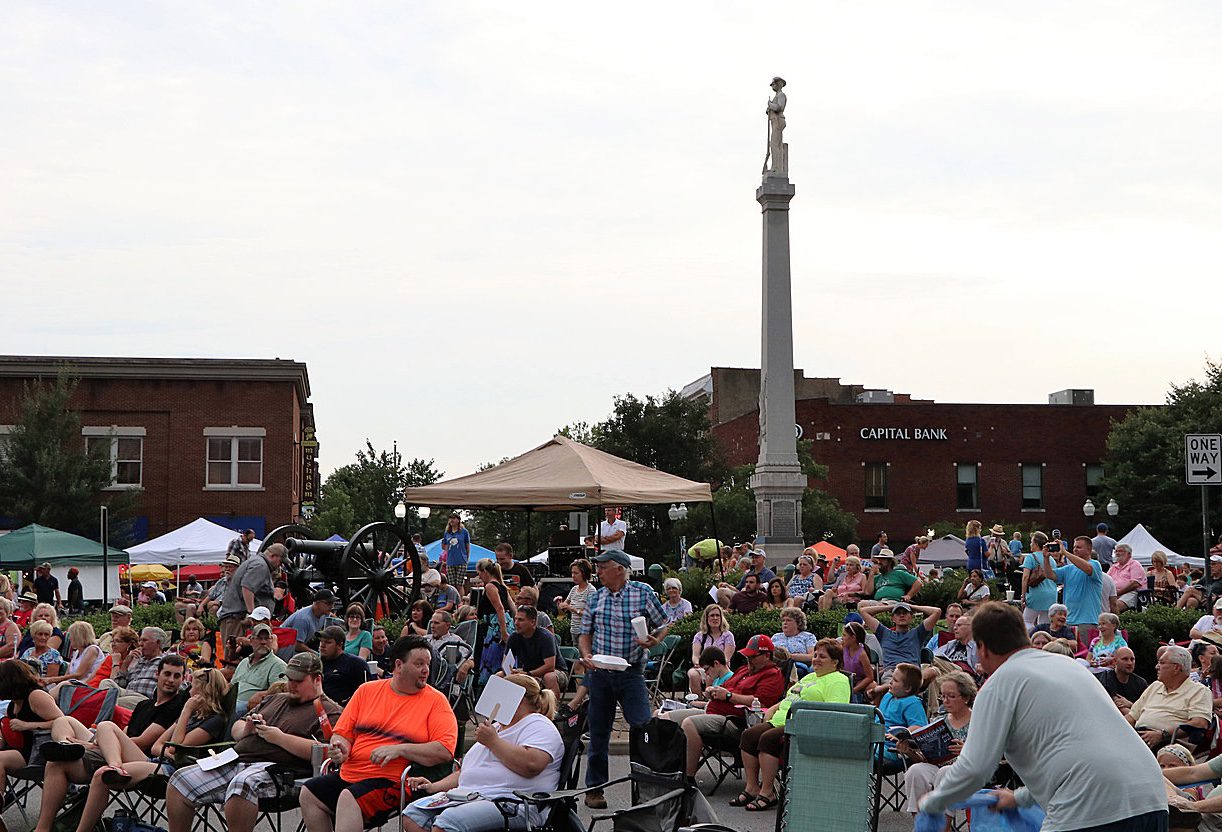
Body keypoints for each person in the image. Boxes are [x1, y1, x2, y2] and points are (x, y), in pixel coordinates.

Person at [919, 602, 1167, 832]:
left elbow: (975, 768)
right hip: (1151, 796)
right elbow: (1075, 754)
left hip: (1089, 807)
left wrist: (935, 800)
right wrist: (1018, 798)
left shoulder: (998, 685)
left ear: (982, 648)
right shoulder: (1069, 666)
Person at [165, 653, 341, 832]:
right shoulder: (276, 698)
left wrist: (280, 738)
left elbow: (327, 753)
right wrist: (247, 729)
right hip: (237, 759)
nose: (291, 684)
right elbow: (237, 726)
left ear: (317, 679)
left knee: (242, 784)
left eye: (298, 680)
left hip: (281, 771)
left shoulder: (330, 711)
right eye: (289, 678)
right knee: (180, 780)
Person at [299, 636, 458, 832]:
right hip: (350, 773)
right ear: (399, 665)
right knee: (309, 793)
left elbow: (445, 750)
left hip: (397, 781)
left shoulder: (436, 701)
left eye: (428, 664)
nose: (426, 670)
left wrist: (400, 750)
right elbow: (342, 734)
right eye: (419, 664)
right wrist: (341, 747)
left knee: (348, 797)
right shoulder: (366, 691)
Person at [33, 656, 189, 832]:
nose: (171, 680)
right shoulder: (144, 704)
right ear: (157, 674)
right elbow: (125, 733)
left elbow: (144, 742)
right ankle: (43, 827)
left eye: (177, 676)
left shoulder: (176, 706)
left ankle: (107, 762)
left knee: (105, 726)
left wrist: (103, 743)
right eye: (167, 674)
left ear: (183, 679)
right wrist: (101, 743)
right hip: (113, 749)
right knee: (63, 726)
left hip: (138, 759)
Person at [71, 667, 230, 832]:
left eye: (193, 686)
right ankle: (116, 766)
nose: (189, 690)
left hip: (175, 772)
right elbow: (156, 746)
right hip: (158, 761)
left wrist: (186, 711)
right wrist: (171, 747)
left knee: (101, 775)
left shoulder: (214, 721)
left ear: (203, 691)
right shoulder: (192, 716)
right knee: (106, 726)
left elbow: (175, 748)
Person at [402, 673, 563, 832]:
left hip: (513, 802)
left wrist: (493, 742)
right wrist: (434, 786)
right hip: (472, 796)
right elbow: (467, 771)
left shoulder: (537, 724)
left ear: (517, 698)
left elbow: (532, 764)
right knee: (413, 815)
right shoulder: (497, 727)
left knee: (448, 822)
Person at [576, 549, 669, 809]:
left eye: (603, 567)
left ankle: (648, 786)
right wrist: (586, 655)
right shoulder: (596, 598)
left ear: (619, 568)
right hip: (601, 673)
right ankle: (595, 790)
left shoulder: (642, 592)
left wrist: (654, 640)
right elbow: (585, 633)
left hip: (631, 673)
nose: (599, 572)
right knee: (598, 732)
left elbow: (663, 623)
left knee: (642, 727)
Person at [735, 638, 850, 811]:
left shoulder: (838, 680)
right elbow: (790, 698)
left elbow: (835, 711)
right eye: (815, 655)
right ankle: (752, 787)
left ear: (835, 662)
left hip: (804, 725)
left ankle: (768, 793)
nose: (816, 659)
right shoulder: (810, 676)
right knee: (748, 735)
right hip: (781, 720)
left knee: (768, 739)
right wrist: (772, 708)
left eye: (822, 657)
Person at [668, 635, 786, 778]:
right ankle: (665, 769)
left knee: (689, 723)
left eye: (752, 657)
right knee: (665, 717)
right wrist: (712, 690)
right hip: (712, 710)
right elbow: (725, 686)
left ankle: (687, 778)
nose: (748, 660)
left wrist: (729, 696)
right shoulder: (744, 670)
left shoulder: (772, 675)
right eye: (747, 657)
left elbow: (761, 703)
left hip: (734, 720)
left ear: (767, 656)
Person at [903, 672, 976, 816]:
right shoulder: (938, 721)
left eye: (951, 696)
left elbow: (992, 755)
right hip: (939, 768)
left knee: (945, 773)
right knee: (916, 771)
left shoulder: (978, 721)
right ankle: (921, 826)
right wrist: (908, 752)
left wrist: (967, 750)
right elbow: (926, 759)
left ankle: (944, 828)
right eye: (942, 696)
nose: (946, 701)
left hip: (968, 774)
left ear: (966, 697)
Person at [1123, 645, 1211, 751]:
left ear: (1176, 667)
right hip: (1139, 737)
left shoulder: (1199, 691)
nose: (1157, 666)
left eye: (1162, 662)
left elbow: (1199, 724)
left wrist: (1162, 734)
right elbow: (1131, 718)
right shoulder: (1155, 686)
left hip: (1171, 744)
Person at [0, 659, 65, 797]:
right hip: (20, 749)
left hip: (37, 752)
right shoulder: (14, 702)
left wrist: (27, 726)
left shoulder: (36, 696)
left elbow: (63, 722)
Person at [859, 600, 941, 691]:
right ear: (893, 618)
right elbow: (863, 611)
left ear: (911, 617)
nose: (901, 615)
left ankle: (884, 688)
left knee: (933, 671)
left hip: (912, 672)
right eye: (898, 613)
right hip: (892, 673)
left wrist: (911, 606)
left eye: (905, 613)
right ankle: (893, 686)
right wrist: (890, 607)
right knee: (894, 680)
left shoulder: (917, 634)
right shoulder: (884, 633)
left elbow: (937, 612)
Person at [218, 543, 285, 644]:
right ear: (273, 556)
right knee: (234, 654)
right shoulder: (260, 566)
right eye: (281, 561)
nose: (280, 565)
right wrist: (252, 614)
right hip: (237, 618)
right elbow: (247, 587)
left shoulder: (257, 562)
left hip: (235, 617)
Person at [506, 605, 568, 700]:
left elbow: (550, 666)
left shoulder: (545, 636)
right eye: (516, 619)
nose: (516, 623)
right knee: (499, 675)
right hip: (528, 671)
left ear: (532, 622)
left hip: (555, 671)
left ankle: (553, 710)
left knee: (549, 677)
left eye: (521, 620)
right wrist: (512, 672)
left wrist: (528, 674)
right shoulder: (514, 637)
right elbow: (505, 664)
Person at [471, 558, 516, 683]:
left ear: (485, 571)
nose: (479, 577)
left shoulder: (490, 586)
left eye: (479, 574)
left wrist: (503, 632)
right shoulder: (502, 586)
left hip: (495, 626)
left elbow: (499, 608)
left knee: (491, 658)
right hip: (506, 622)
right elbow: (513, 608)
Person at [1044, 535, 1104, 628]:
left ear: (1089, 549)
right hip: (1068, 620)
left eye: (1079, 547)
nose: (1075, 549)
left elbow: (1088, 569)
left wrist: (1065, 553)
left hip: (1087, 621)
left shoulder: (1095, 564)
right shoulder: (1069, 568)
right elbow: (1050, 575)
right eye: (1074, 547)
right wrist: (1046, 558)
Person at [231, 622, 288, 717]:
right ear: (252, 640)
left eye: (267, 638)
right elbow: (232, 685)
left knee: (230, 712)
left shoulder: (278, 665)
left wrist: (262, 695)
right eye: (259, 638)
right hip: (233, 701)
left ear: (271, 640)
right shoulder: (244, 662)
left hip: (251, 708)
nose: (263, 642)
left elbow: (281, 693)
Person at [878, 663, 927, 763]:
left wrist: (899, 735)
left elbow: (919, 727)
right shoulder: (888, 696)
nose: (890, 682)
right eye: (892, 678)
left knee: (861, 752)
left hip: (893, 749)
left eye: (895, 680)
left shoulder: (912, 703)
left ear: (907, 688)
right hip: (875, 741)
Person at [688, 604, 736, 696]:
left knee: (710, 675)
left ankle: (709, 700)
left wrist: (711, 666)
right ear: (706, 618)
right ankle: (697, 700)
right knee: (692, 674)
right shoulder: (699, 636)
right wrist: (699, 664)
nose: (715, 618)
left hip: (719, 667)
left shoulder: (727, 635)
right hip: (702, 666)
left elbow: (726, 658)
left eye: (717, 615)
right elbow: (695, 655)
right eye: (712, 615)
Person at [317, 625, 369, 705]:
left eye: (328, 642)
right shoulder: (316, 663)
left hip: (344, 710)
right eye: (321, 641)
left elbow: (367, 692)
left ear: (339, 645)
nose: (322, 646)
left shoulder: (355, 664)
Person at [44, 620, 104, 688]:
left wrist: (52, 679)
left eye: (71, 635)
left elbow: (79, 675)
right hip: (71, 684)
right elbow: (67, 675)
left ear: (78, 637)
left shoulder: (92, 650)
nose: (69, 638)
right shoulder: (76, 652)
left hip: (85, 685)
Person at [281, 589, 339, 653]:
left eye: (333, 603)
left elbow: (332, 617)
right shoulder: (303, 619)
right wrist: (317, 655)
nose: (331, 606)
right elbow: (298, 645)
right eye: (328, 603)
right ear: (317, 603)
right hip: (285, 650)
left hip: (298, 646)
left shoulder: (324, 612)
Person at [1020, 531, 1055, 630]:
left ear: (1035, 544)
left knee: (1026, 621)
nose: (1030, 544)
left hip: (1036, 594)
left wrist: (1023, 595)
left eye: (1031, 542)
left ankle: (1032, 638)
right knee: (1044, 624)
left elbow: (1025, 577)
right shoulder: (1050, 559)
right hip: (1051, 594)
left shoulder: (1031, 557)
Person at [771, 607, 817, 674]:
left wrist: (789, 656)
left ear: (798, 623)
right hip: (776, 666)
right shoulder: (776, 637)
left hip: (798, 666)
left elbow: (812, 656)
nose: (785, 623)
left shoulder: (808, 636)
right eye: (783, 620)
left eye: (788, 620)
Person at [841, 621, 875, 703]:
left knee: (873, 686)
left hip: (860, 681)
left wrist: (854, 689)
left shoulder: (862, 654)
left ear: (853, 638)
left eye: (844, 635)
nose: (842, 638)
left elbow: (870, 677)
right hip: (845, 679)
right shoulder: (842, 647)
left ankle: (874, 712)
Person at [1107, 544, 1145, 613]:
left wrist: (1117, 593)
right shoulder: (1113, 567)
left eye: (1120, 551)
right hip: (1113, 594)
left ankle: (1114, 623)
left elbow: (1134, 584)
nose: (1117, 553)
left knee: (1114, 607)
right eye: (1116, 551)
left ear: (1129, 554)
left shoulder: (1134, 564)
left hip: (1131, 592)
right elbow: (1106, 580)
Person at [440, 512, 472, 587]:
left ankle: (460, 598)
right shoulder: (447, 533)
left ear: (458, 520)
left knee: (459, 584)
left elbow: (467, 546)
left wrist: (467, 558)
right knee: (451, 584)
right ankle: (453, 598)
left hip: (461, 560)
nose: (452, 520)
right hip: (450, 561)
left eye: (454, 518)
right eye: (450, 518)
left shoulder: (464, 532)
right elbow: (444, 547)